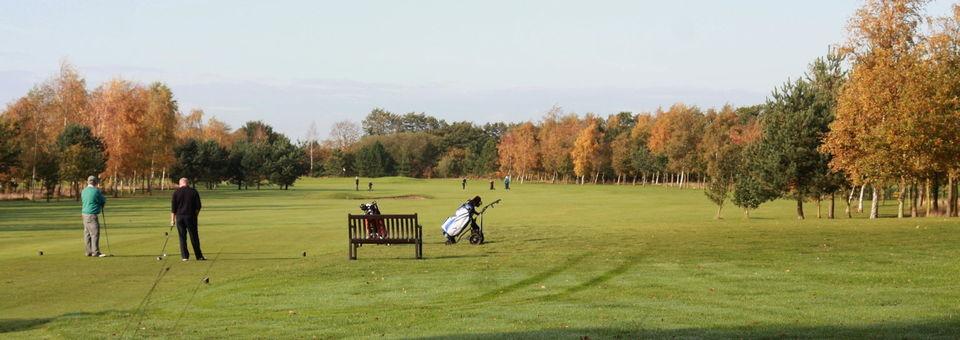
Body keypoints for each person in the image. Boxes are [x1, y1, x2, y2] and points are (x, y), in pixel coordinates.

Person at [171, 177, 204, 261]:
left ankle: (184, 256)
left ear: (180, 183)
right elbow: (198, 206)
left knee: (182, 237)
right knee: (194, 237)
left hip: (179, 217)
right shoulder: (193, 191)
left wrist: (172, 220)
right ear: (187, 183)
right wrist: (195, 215)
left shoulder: (176, 192)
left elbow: (173, 208)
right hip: (191, 216)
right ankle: (199, 256)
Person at [81, 175, 107, 257]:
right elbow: (102, 200)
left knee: (87, 233)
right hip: (92, 214)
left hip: (84, 214)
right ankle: (95, 252)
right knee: (95, 233)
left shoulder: (83, 191)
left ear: (88, 182)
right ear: (95, 182)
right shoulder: (96, 191)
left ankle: (88, 252)